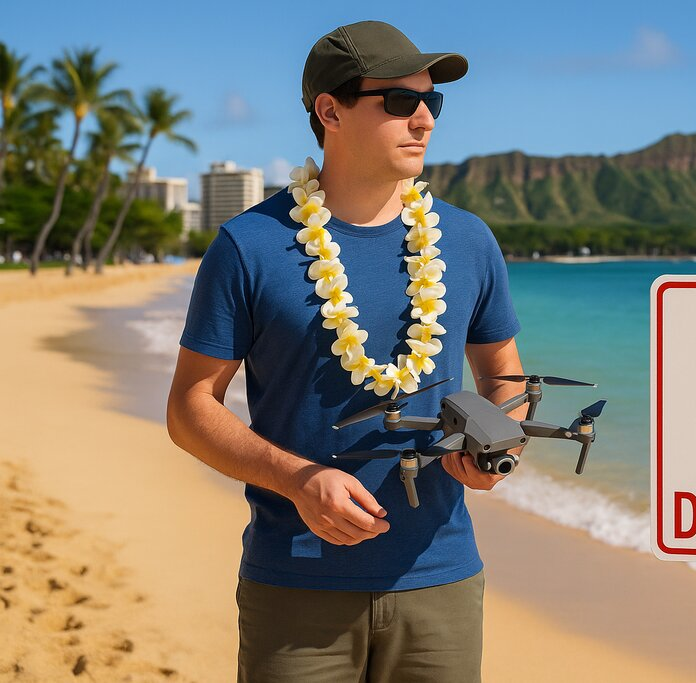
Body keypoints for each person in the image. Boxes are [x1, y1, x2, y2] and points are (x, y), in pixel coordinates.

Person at [165, 20, 527, 682]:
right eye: (398, 101)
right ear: (329, 111)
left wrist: (500, 444)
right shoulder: (249, 245)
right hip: (295, 585)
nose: (423, 119)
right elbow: (191, 406)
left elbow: (504, 376)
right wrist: (298, 480)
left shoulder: (470, 241)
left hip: (440, 581)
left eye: (432, 102)